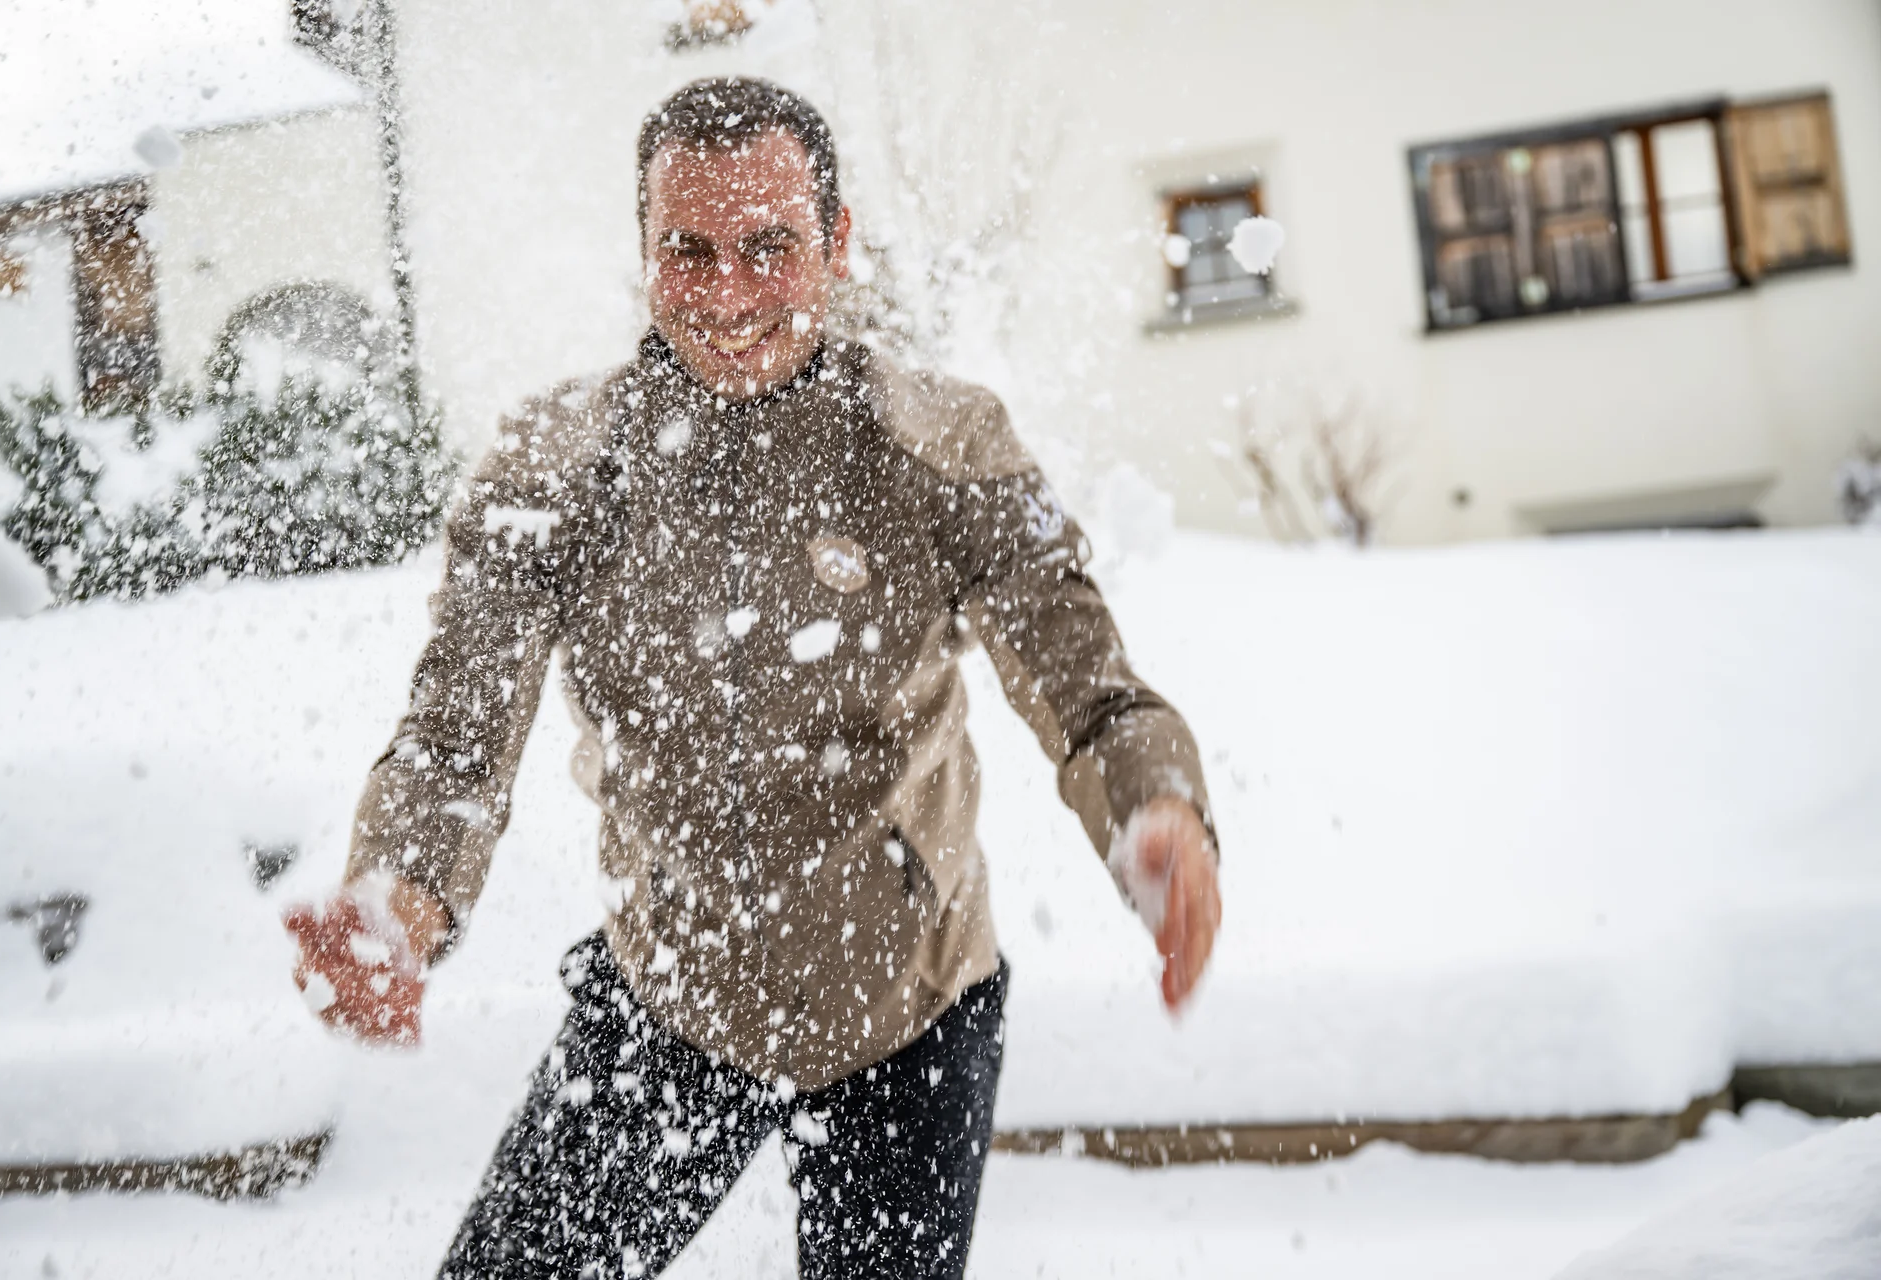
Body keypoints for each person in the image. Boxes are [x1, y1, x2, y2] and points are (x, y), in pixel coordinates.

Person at [285, 75, 1222, 1280]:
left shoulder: (941, 444)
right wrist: (400, 895)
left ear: (837, 242)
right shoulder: (551, 474)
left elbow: (1093, 690)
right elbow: (456, 737)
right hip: (670, 996)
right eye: (690, 250)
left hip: (910, 1006)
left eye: (769, 246)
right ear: (643, 249)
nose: (728, 296)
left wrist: (1158, 813)